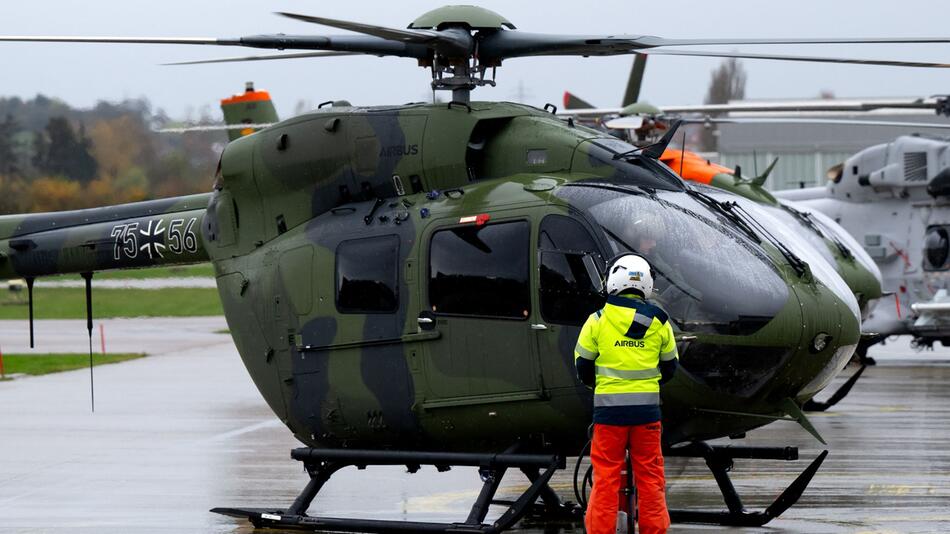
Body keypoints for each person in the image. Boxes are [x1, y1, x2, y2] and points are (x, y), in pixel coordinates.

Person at [574, 254, 679, 534]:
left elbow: (583, 365)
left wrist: (597, 386)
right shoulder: (659, 322)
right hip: (647, 416)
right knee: (650, 478)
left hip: (609, 416)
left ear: (612, 282)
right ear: (646, 285)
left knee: (606, 479)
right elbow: (670, 367)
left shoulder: (597, 320)